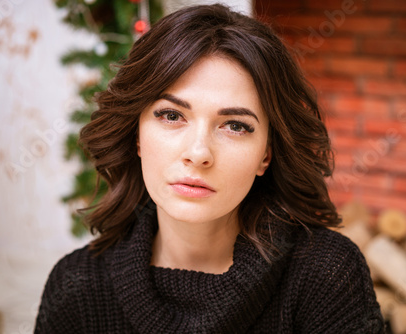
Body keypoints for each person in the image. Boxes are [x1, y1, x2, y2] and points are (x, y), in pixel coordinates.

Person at [34, 4, 385, 333]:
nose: (199, 153)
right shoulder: (76, 287)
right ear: (137, 136)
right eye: (171, 116)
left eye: (234, 125)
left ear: (266, 154)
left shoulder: (327, 275)